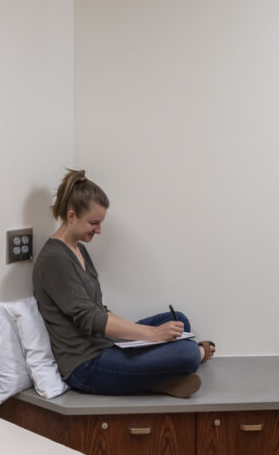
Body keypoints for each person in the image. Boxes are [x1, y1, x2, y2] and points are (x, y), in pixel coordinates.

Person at [32, 168, 215, 398]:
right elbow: (91, 318)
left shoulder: (78, 249)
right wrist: (151, 334)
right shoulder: (54, 259)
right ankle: (164, 373)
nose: (99, 230)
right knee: (188, 353)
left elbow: (99, 309)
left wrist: (145, 334)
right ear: (71, 216)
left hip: (104, 344)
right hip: (86, 366)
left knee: (179, 321)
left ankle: (155, 379)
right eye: (94, 223)